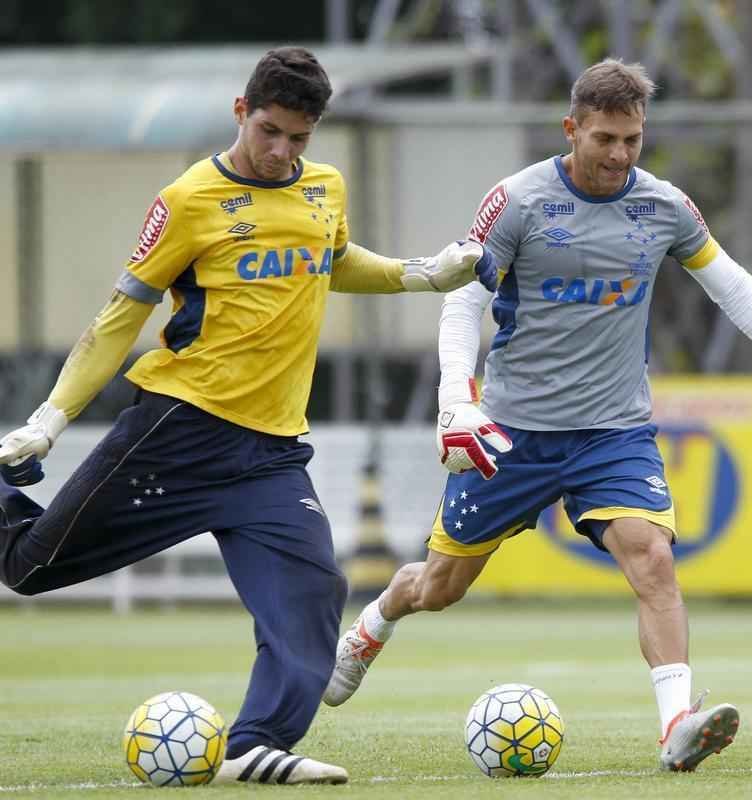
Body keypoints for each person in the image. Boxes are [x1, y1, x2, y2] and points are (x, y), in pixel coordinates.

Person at [323, 57, 752, 772]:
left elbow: (732, 287)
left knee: (652, 559)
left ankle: (678, 724)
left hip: (614, 432)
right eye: (605, 138)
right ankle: (372, 626)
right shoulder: (517, 201)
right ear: (572, 129)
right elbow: (463, 297)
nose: (618, 155)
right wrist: (455, 400)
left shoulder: (665, 207)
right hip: (510, 432)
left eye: (632, 141)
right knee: (439, 587)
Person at [0, 47, 497, 785]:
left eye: (298, 138)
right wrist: (51, 418)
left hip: (270, 454)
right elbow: (116, 321)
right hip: (180, 428)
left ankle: (253, 745)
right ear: (241, 111)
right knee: (31, 565)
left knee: (315, 593)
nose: (280, 152)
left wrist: (417, 275)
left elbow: (331, 257)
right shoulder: (188, 200)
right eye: (269, 131)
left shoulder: (323, 187)